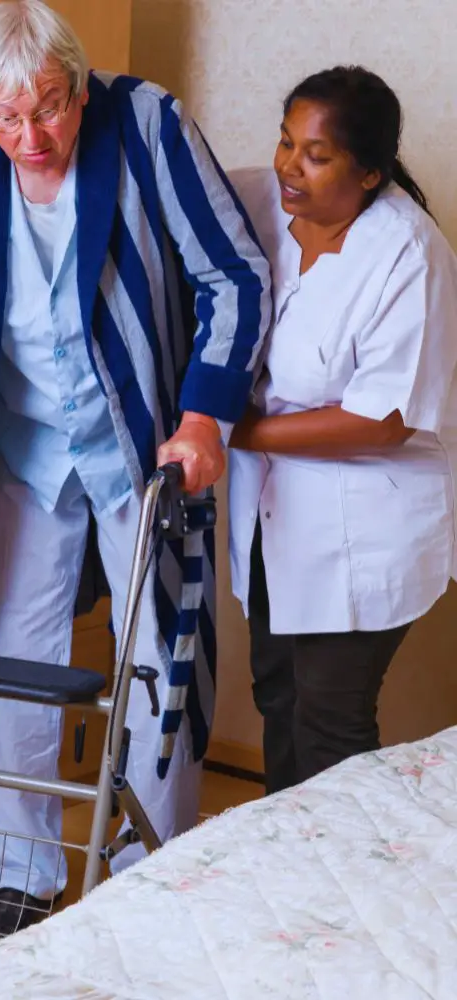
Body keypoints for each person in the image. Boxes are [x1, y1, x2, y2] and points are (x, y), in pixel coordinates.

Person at [0, 0, 270, 939]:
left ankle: (146, 876)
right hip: (18, 442)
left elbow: (235, 275)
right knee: (12, 656)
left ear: (81, 88)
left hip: (142, 442)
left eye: (48, 108)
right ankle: (22, 873)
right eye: (5, 115)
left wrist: (206, 417)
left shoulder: (146, 123)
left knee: (157, 655)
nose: (29, 135)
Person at [227, 66, 457, 795]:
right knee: (278, 697)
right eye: (286, 142)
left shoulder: (407, 253)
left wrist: (234, 432)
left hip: (369, 520)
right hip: (275, 515)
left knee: (330, 715)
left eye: (317, 156)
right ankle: (283, 871)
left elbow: (382, 420)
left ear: (369, 173)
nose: (291, 167)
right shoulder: (257, 202)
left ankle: (340, 891)